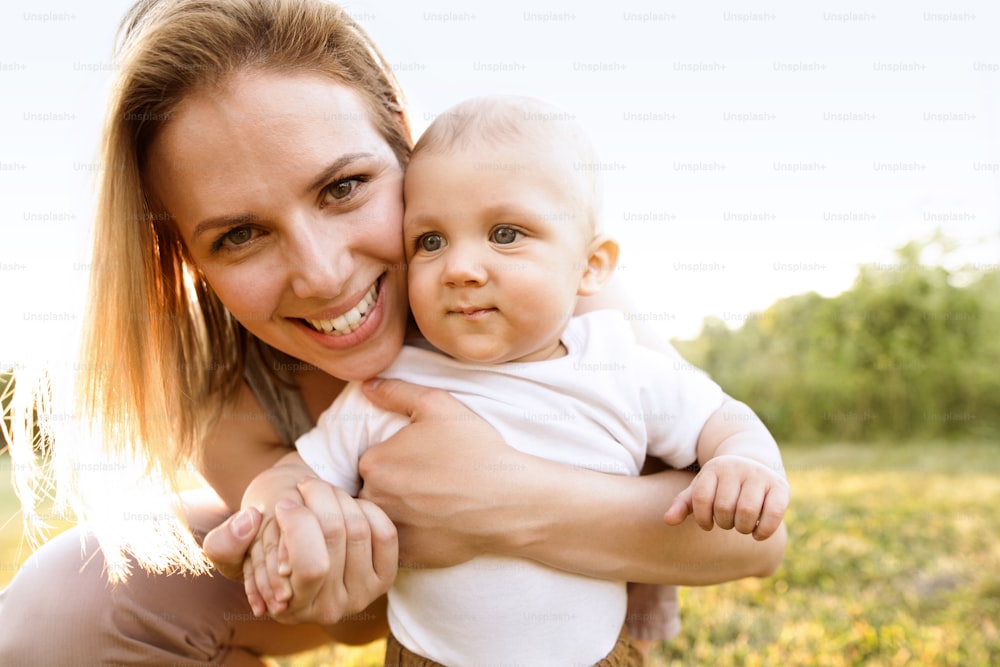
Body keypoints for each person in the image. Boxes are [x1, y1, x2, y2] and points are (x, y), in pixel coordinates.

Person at [0, 1, 787, 664]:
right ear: (184, 259)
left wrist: (497, 497)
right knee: (59, 607)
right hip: (413, 611)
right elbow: (350, 619)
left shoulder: (533, 275)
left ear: (401, 147)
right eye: (238, 234)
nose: (320, 273)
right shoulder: (211, 370)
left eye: (344, 187)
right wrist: (316, 566)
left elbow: (751, 542)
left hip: (579, 591)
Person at [242, 95, 790, 665]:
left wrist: (742, 462)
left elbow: (722, 420)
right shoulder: (392, 383)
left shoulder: (617, 362)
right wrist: (273, 518)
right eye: (430, 241)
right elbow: (297, 474)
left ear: (591, 266)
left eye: (505, 234)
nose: (460, 268)